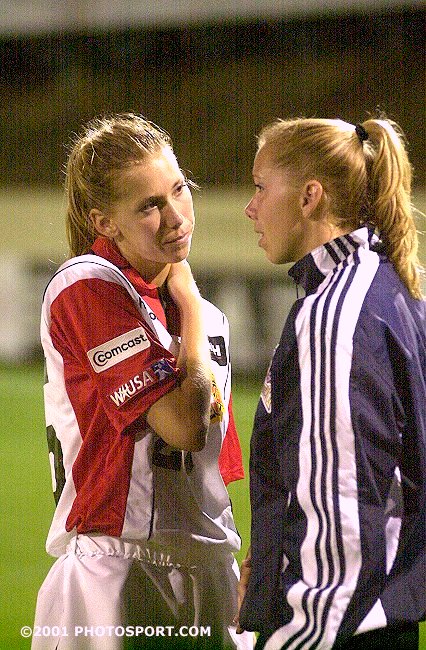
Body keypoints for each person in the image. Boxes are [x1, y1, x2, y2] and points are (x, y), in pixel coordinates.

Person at [33, 112, 254, 650]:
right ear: (104, 222)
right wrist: (191, 307)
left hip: (209, 561)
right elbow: (184, 427)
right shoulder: (87, 284)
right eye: (150, 205)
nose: (176, 216)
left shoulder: (204, 316)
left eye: (179, 189)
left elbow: (213, 463)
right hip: (119, 567)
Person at [237, 116, 425, 649]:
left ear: (309, 197)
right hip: (381, 616)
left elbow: (341, 515)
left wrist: (297, 630)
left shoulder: (334, 316)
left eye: (260, 187)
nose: (251, 207)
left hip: (337, 626)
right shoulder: (391, 288)